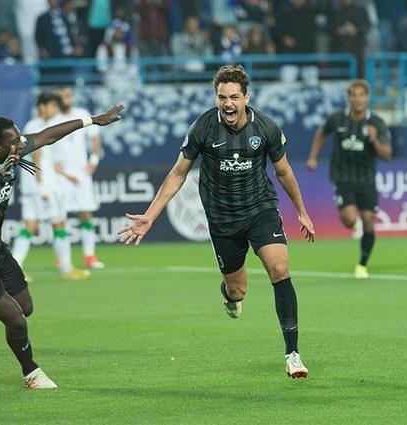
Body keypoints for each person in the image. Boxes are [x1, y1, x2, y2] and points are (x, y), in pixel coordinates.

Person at [118, 65, 316, 378]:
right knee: (238, 291)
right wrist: (150, 215)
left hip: (260, 209)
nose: (227, 103)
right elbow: (178, 173)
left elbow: (284, 172)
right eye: (222, 97)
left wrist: (301, 211)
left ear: (246, 97)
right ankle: (229, 296)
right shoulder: (203, 127)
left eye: (234, 97)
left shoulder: (266, 127)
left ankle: (293, 354)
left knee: (279, 269)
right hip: (223, 219)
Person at [0, 103, 124, 389]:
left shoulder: (12, 150)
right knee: (14, 318)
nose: (22, 142)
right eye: (15, 140)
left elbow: (48, 135)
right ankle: (32, 373)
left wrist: (92, 120)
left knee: (25, 307)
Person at [306, 79, 392, 279]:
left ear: (367, 98)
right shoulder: (338, 119)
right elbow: (321, 133)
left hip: (367, 179)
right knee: (349, 219)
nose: (357, 99)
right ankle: (353, 225)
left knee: (368, 222)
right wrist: (313, 157)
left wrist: (374, 139)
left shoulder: (376, 123)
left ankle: (362, 264)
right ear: (349, 98)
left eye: (361, 95)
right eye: (353, 95)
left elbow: (387, 154)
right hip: (343, 177)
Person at [12, 92, 90, 281]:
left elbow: (44, 159)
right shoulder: (38, 126)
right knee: (59, 223)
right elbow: (37, 156)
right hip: (43, 186)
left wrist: (61, 173)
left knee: (29, 225)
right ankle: (67, 269)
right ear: (42, 107)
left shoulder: (31, 126)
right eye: (52, 106)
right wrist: (42, 186)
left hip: (32, 186)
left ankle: (15, 270)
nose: (55, 109)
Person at [55, 86, 106, 269]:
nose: (66, 99)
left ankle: (89, 255)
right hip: (60, 175)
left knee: (86, 213)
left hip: (81, 173)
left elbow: (95, 140)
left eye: (68, 95)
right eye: (62, 96)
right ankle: (61, 257)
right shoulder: (53, 119)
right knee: (59, 217)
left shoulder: (82, 114)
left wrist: (93, 161)